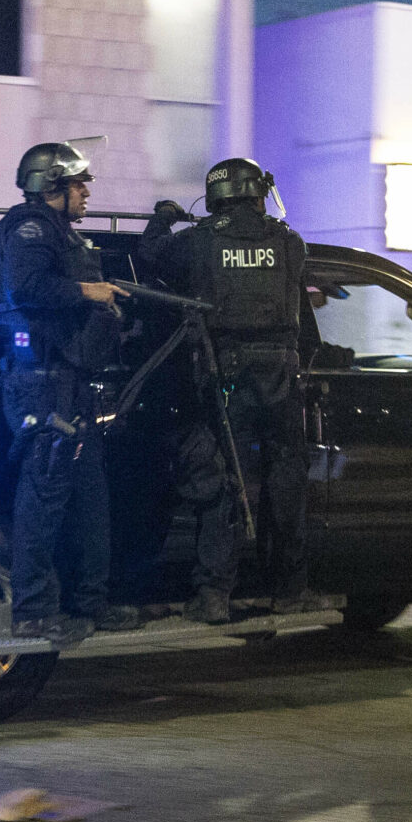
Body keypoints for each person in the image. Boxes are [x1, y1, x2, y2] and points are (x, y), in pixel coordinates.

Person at [140, 158, 321, 625]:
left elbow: (153, 255)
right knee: (286, 482)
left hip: (227, 374)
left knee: (228, 482)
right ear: (258, 192)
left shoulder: (201, 241)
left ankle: (215, 593)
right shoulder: (289, 242)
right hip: (283, 375)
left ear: (217, 195)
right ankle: (289, 588)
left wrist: (162, 216)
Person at [0, 142, 124, 643]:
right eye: (79, 183)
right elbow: (24, 287)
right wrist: (88, 292)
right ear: (52, 185)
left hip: (69, 383)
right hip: (40, 386)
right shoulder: (30, 228)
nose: (86, 192)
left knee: (90, 497)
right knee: (44, 497)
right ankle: (34, 610)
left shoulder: (58, 233)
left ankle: (91, 604)